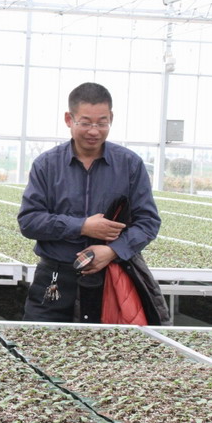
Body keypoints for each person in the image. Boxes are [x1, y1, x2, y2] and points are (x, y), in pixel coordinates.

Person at [18, 82, 161, 322]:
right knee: (40, 337)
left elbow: (148, 222)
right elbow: (29, 221)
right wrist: (83, 226)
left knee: (106, 343)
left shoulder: (129, 164)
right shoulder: (47, 165)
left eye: (102, 123)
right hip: (56, 275)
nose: (94, 131)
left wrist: (112, 251)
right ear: (69, 119)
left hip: (110, 276)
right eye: (85, 123)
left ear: (111, 118)